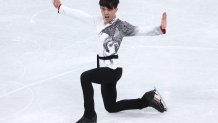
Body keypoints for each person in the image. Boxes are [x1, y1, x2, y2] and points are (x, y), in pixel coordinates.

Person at [52, 0, 167, 123]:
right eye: (103, 9)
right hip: (103, 69)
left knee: (85, 77)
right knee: (111, 107)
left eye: (109, 9)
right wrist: (60, 7)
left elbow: (140, 30)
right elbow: (80, 15)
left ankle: (89, 116)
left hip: (112, 70)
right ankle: (147, 99)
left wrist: (160, 28)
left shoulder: (121, 26)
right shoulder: (97, 21)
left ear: (115, 9)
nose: (105, 12)